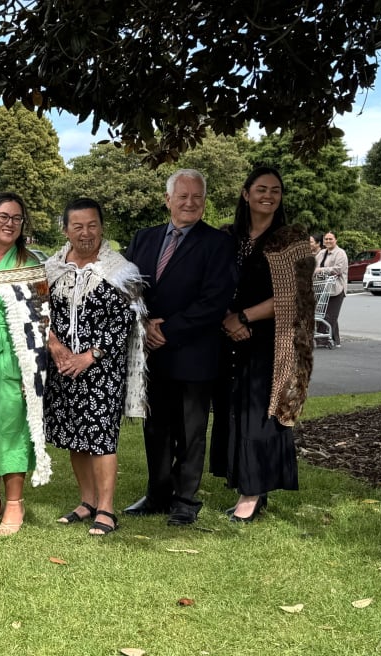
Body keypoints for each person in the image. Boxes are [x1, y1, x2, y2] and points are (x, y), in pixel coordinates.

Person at [124, 169, 236, 526]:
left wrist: (168, 329)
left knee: (190, 429)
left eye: (197, 197)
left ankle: (185, 500)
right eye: (183, 196)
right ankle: (158, 494)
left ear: (204, 201)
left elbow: (215, 300)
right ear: (168, 199)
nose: (190, 203)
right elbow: (124, 286)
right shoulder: (144, 238)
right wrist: (142, 323)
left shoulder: (217, 243)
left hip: (193, 351)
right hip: (150, 352)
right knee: (155, 428)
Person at [211, 167, 315, 521]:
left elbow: (294, 296)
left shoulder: (292, 239)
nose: (268, 195)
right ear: (245, 194)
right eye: (260, 189)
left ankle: (252, 495)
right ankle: (247, 484)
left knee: (260, 415)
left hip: (272, 343)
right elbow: (213, 284)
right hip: (230, 338)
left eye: (275, 190)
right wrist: (227, 316)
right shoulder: (229, 237)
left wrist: (243, 318)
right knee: (233, 412)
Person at [44, 198, 147, 536]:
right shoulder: (52, 268)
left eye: (92, 225)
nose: (85, 233)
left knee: (101, 436)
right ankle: (86, 501)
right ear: (66, 229)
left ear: (102, 228)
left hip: (101, 366)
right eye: (78, 226)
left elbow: (126, 322)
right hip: (62, 363)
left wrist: (90, 355)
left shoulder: (121, 270)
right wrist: (55, 344)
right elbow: (40, 312)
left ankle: (106, 508)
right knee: (76, 433)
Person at [0, 191, 51, 536]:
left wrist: (33, 370)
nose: (9, 223)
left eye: (16, 218)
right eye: (3, 216)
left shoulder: (29, 264)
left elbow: (43, 318)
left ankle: (14, 503)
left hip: (15, 358)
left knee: (11, 428)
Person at [314, 231, 348, 347]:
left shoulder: (340, 253)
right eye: (326, 239)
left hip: (336, 289)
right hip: (322, 288)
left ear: (336, 240)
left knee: (330, 315)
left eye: (330, 239)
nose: (328, 241)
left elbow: (338, 269)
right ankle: (335, 340)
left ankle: (322, 340)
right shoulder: (321, 253)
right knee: (325, 313)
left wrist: (321, 270)